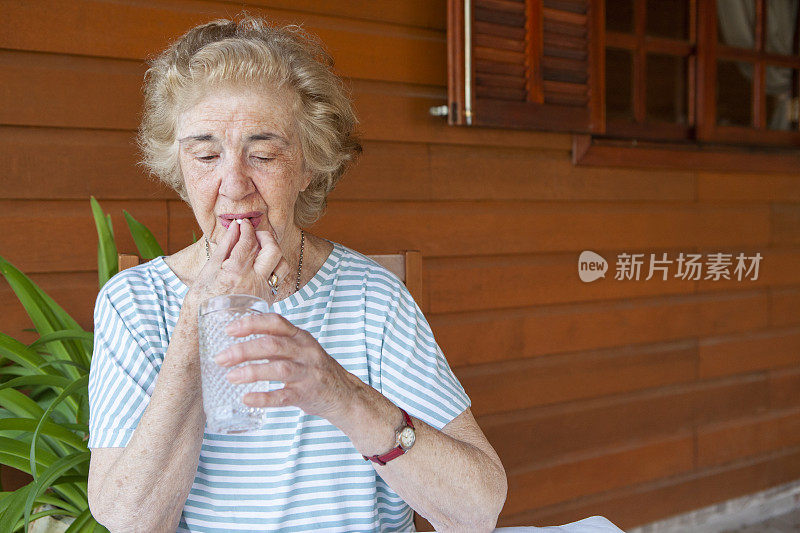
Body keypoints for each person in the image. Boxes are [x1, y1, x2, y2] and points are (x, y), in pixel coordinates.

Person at [86, 13, 507, 533]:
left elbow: (479, 509)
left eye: (263, 153)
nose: (234, 184)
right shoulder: (135, 303)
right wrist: (199, 320)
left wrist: (340, 392)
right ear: (178, 167)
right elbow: (129, 520)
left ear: (310, 165)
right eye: (206, 154)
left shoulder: (373, 298)